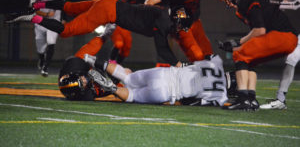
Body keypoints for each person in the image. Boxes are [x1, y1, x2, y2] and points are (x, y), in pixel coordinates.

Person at [6, 0, 191, 67]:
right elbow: (162, 49)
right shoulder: (164, 21)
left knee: (70, 6)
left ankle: (37, 5)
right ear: (175, 17)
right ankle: (33, 17)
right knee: (66, 30)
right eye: (181, 24)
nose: (180, 29)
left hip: (108, 2)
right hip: (108, 11)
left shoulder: (163, 16)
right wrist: (177, 63)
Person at [219, 0, 298, 111]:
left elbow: (259, 30)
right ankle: (251, 99)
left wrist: (237, 43)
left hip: (281, 35)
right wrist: (238, 43)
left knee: (240, 54)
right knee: (250, 59)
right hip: (288, 37)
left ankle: (243, 99)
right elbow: (258, 33)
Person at [145, 0, 232, 66]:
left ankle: (207, 80)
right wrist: (160, 19)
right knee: (197, 55)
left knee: (208, 54)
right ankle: (195, 79)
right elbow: (149, 2)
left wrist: (227, 0)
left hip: (195, 21)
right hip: (180, 25)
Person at [60, 53, 232, 106]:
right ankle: (111, 88)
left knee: (127, 76)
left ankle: (92, 59)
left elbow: (201, 58)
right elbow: (192, 102)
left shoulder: (216, 62)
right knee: (133, 96)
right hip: (167, 92)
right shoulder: (221, 96)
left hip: (163, 73)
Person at [260, 0, 300, 110]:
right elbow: (285, 5)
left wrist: (273, 3)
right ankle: (281, 99)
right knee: (291, 59)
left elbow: (296, 5)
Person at [30, 0, 73, 77]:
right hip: (40, 20)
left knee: (51, 42)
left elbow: (67, 6)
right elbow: (32, 7)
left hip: (55, 20)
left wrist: (64, 19)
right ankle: (41, 59)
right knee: (40, 46)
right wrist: (45, 14)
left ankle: (45, 67)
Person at [96, 0, 139, 64]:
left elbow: (134, 8)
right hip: (112, 23)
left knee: (126, 48)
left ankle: (117, 65)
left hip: (126, 24)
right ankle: (111, 63)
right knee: (119, 43)